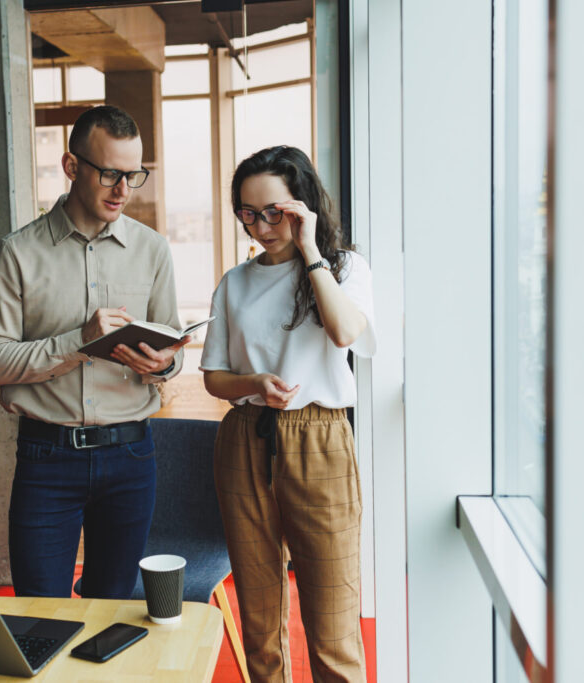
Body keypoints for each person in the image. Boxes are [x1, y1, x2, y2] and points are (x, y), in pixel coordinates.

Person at [0, 105, 188, 599]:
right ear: (72, 167)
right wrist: (80, 341)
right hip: (46, 456)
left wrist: (166, 363)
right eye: (110, 173)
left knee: (112, 612)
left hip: (132, 456)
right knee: (42, 614)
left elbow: (171, 346)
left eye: (134, 176)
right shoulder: (18, 253)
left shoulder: (153, 250)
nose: (122, 190)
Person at [200, 145, 375, 683]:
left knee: (333, 620)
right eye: (248, 213)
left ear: (302, 205)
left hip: (319, 438)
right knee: (259, 620)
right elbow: (214, 377)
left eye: (273, 211)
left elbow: (346, 333)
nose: (260, 226)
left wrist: (310, 251)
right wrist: (254, 383)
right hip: (245, 436)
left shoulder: (344, 266)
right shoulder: (235, 282)